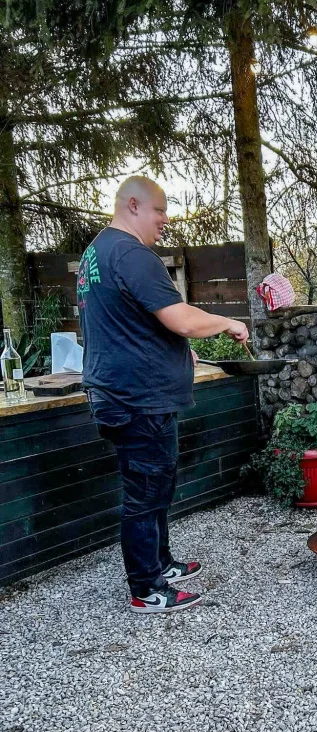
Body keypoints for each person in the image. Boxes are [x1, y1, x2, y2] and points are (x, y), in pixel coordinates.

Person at [77, 176, 249, 614]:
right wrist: (227, 323)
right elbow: (182, 319)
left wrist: (179, 350)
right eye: (160, 211)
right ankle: (146, 588)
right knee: (144, 493)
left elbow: (127, 320)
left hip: (129, 393)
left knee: (157, 486)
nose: (165, 221)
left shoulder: (96, 253)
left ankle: (161, 564)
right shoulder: (133, 254)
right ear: (133, 205)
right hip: (137, 398)